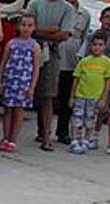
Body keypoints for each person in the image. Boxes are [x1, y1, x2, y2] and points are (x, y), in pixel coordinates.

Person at [28, 0, 74, 152]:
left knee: (48, 95)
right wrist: (50, 31)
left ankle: (46, 136)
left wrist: (41, 31)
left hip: (52, 54)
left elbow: (64, 35)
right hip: (29, 50)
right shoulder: (35, 3)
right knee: (23, 91)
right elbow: (27, 28)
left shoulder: (67, 8)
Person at [0, 12, 40, 154]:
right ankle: (5, 137)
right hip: (10, 81)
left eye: (30, 25)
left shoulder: (34, 46)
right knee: (7, 110)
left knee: (19, 111)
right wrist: (0, 81)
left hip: (24, 84)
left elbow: (35, 68)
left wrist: (32, 87)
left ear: (34, 27)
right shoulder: (11, 43)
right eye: (23, 25)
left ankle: (13, 140)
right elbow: (3, 63)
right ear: (18, 26)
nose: (26, 28)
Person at [67, 30, 110, 154]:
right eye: (95, 44)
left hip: (95, 97)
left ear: (104, 46)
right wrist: (72, 97)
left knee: (90, 119)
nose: (97, 47)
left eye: (100, 45)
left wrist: (103, 98)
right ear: (90, 45)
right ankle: (75, 140)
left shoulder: (107, 62)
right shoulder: (84, 61)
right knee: (77, 118)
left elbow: (108, 81)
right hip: (81, 95)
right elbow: (76, 79)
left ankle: (86, 140)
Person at [54, 0, 89, 146]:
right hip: (55, 54)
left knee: (66, 98)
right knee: (48, 96)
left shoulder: (85, 14)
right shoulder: (58, 7)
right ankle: (42, 131)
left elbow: (85, 38)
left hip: (72, 61)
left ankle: (62, 132)